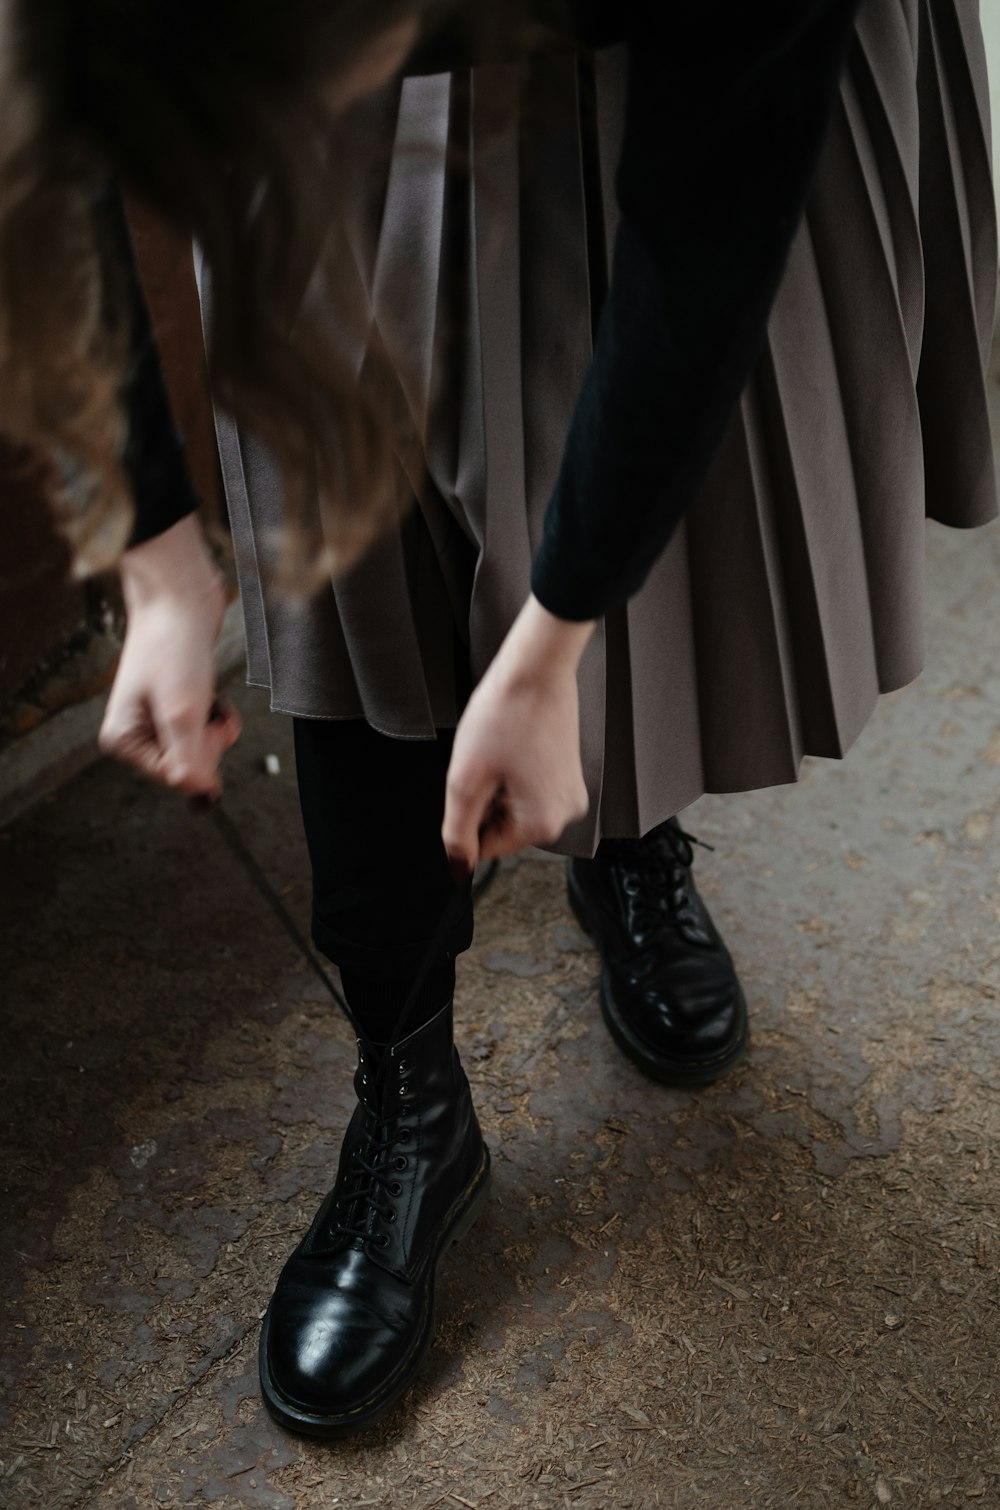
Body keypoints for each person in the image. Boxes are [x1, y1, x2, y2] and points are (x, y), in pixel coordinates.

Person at [1, 0, 995, 1438]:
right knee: (354, 547)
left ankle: (629, 829)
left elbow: (707, 215)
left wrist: (545, 654)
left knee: (621, 498)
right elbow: (44, 110)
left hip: (687, 55)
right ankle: (409, 1085)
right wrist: (153, 555)